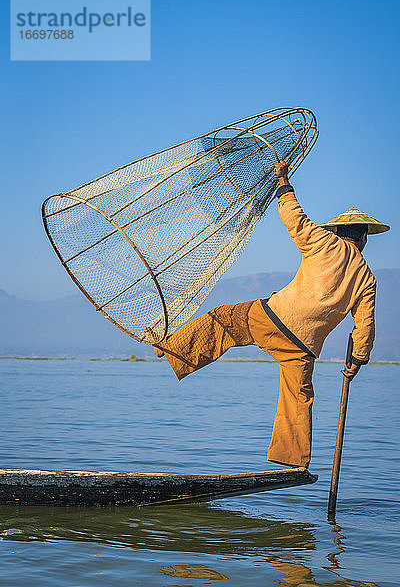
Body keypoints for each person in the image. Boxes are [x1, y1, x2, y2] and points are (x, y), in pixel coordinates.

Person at [146, 161, 390, 469]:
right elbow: (364, 327)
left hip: (273, 318)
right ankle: (295, 461)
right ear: (364, 238)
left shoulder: (325, 243)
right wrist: (356, 361)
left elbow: (294, 219)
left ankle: (170, 349)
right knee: (298, 397)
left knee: (222, 320)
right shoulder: (367, 278)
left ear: (339, 232)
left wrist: (284, 183)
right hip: (303, 347)